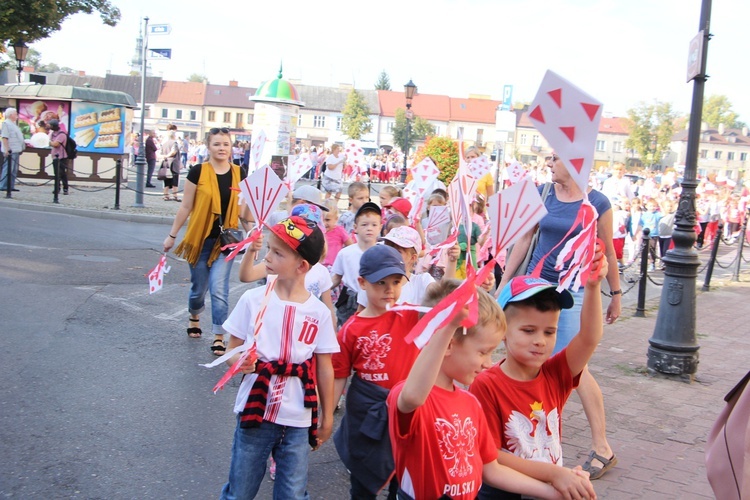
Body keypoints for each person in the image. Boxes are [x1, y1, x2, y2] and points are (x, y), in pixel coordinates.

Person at [499, 152, 621, 480]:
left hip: (574, 291)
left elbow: (607, 248)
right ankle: (534, 433)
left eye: (556, 158)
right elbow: (524, 238)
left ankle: (602, 447)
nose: (550, 163)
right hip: (536, 286)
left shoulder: (598, 202)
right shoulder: (543, 193)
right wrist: (505, 282)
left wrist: (616, 294)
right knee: (530, 357)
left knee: (574, 368)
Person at [387, 280, 561, 500]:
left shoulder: (471, 403)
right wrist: (449, 326)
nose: (489, 363)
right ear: (448, 343)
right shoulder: (409, 395)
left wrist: (553, 492)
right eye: (483, 352)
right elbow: (413, 397)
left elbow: (491, 470)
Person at [220, 215, 339, 499]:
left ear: (302, 266)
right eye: (269, 249)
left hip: (298, 417)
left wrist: (327, 417)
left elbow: (325, 367)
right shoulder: (253, 299)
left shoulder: (318, 313)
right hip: (255, 411)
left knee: (292, 493)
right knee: (241, 490)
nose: (268, 257)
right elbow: (231, 347)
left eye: (277, 252)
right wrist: (239, 362)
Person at [470, 254, 606, 498]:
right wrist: (555, 474)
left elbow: (589, 337)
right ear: (503, 330)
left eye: (549, 331)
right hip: (504, 491)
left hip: (551, 486)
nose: (540, 341)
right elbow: (490, 454)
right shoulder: (486, 384)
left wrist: (594, 286)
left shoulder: (556, 373)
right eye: (528, 330)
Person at [333, 244, 420, 499]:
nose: (389, 289)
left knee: (403, 480)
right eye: (380, 282)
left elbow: (445, 310)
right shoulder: (350, 330)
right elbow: (339, 375)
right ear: (362, 282)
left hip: (406, 412)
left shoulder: (411, 316)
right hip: (366, 414)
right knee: (362, 480)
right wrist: (325, 416)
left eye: (395, 281)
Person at [163, 128, 251, 356]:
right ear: (208, 146)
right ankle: (194, 314)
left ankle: (219, 335)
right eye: (217, 144)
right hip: (200, 238)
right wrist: (172, 236)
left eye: (226, 144)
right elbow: (186, 206)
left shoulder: (239, 173)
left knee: (219, 288)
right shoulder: (197, 172)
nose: (222, 148)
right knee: (198, 289)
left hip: (226, 241)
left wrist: (252, 234)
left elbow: (243, 210)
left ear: (231, 147)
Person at [357, 226, 435, 309]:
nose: (390, 254)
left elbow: (441, 297)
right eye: (388, 248)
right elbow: (361, 315)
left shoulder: (422, 281)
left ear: (413, 258)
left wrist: (451, 264)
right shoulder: (373, 280)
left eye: (398, 251)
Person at [331, 202, 381, 327]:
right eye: (364, 224)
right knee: (346, 330)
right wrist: (320, 288)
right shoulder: (345, 253)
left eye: (374, 225)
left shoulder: (384, 252)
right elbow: (336, 278)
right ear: (355, 227)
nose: (369, 228)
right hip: (349, 299)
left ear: (380, 227)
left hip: (374, 299)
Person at [0, 107, 25, 192]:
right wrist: (6, 149)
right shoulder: (6, 124)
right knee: (8, 168)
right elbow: (4, 137)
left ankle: (10, 185)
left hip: (16, 149)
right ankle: (3, 185)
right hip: (11, 150)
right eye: (15, 114)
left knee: (14, 169)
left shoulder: (13, 124)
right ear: (11, 115)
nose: (17, 116)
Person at [47, 119, 69, 195]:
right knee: (56, 173)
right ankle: (57, 188)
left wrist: (48, 142)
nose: (49, 127)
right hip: (55, 156)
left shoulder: (62, 134)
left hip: (62, 156)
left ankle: (65, 188)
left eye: (50, 125)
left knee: (62, 174)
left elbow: (56, 144)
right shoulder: (53, 134)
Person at [159, 131, 182, 202]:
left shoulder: (164, 143)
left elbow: (160, 153)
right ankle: (175, 196)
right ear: (174, 136)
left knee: (166, 179)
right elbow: (174, 152)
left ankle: (165, 195)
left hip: (165, 162)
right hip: (173, 163)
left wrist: (164, 157)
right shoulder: (174, 143)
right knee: (175, 180)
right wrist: (167, 155)